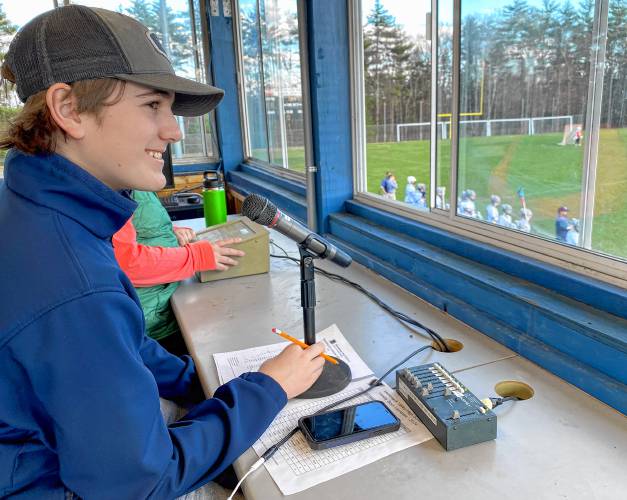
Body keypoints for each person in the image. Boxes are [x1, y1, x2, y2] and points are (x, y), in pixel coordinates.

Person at [0, 6, 325, 499]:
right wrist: (269, 389)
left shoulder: (43, 212)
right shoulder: (72, 280)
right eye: (152, 106)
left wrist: (202, 383)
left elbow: (120, 339)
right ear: (68, 109)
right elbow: (142, 485)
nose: (173, 131)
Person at [112, 190, 244, 356]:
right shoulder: (115, 185)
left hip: (163, 309)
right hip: (152, 329)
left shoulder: (131, 185)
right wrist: (197, 257)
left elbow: (136, 227)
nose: (160, 162)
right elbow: (126, 263)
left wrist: (169, 231)